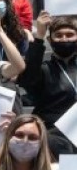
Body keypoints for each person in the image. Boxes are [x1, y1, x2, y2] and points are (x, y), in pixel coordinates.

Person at [20, 12, 77, 158]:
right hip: (54, 135)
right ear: (50, 40)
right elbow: (28, 79)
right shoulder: (44, 69)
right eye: (58, 35)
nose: (64, 39)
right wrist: (39, 36)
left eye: (70, 35)